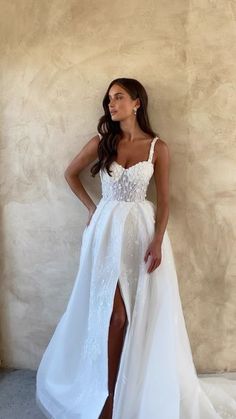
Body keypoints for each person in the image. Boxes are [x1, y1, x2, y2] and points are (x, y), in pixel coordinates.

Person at [36, 78, 236, 419]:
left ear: (137, 103)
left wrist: (158, 241)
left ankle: (131, 385)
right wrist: (91, 209)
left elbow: (165, 200)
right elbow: (70, 174)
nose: (111, 105)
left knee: (139, 313)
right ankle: (108, 397)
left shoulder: (158, 148)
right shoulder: (102, 141)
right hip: (105, 231)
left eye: (119, 97)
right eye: (109, 99)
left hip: (141, 234)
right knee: (114, 315)